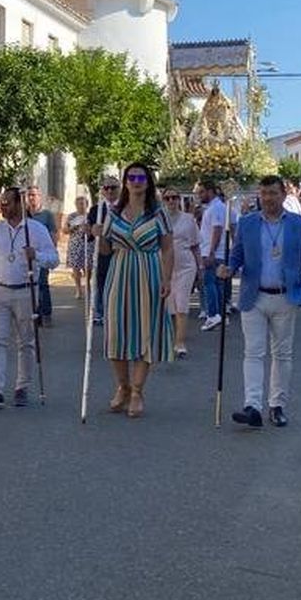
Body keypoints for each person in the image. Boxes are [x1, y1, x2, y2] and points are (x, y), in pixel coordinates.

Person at [218, 174, 301, 428]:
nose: (268, 198)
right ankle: (252, 406)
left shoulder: (300, 224)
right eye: (263, 194)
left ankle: (277, 405)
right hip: (255, 295)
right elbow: (238, 255)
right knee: (253, 352)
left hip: (286, 296)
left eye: (273, 193)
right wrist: (228, 269)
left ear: (284, 195)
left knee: (282, 354)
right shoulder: (248, 223)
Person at [98, 162, 174, 418]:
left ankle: (138, 392)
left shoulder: (158, 213)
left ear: (148, 181)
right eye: (131, 177)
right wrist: (99, 236)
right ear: (125, 181)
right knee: (116, 332)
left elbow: (167, 248)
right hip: (119, 273)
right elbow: (106, 251)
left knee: (145, 332)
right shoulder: (113, 213)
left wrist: (166, 279)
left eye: (141, 177)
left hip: (148, 272)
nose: (136, 181)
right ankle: (123, 386)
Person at [0, 186, 58, 408]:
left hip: (27, 291)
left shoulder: (36, 229)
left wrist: (37, 255)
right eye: (1, 202)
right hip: (0, 291)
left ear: (19, 204)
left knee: (26, 343)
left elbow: (54, 259)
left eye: (7, 202)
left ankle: (22, 387)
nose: (2, 206)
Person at [162, 189, 200, 359]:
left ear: (179, 200)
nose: (171, 201)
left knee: (182, 303)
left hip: (185, 266)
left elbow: (195, 245)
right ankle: (168, 338)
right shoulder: (158, 219)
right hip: (165, 267)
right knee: (168, 304)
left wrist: (200, 268)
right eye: (167, 198)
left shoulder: (188, 219)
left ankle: (180, 342)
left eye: (174, 197)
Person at [199, 183, 234, 330]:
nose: (199, 195)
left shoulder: (215, 208)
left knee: (209, 283)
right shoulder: (219, 207)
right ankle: (220, 315)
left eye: (201, 192)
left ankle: (213, 314)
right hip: (219, 252)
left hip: (214, 252)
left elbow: (217, 229)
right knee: (218, 284)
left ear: (210, 191)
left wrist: (211, 252)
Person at [89, 175, 120, 326]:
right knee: (101, 283)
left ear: (119, 189)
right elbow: (89, 234)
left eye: (113, 187)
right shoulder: (96, 209)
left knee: (119, 285)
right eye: (106, 188)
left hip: (122, 253)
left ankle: (117, 312)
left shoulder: (126, 207)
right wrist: (90, 230)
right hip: (102, 253)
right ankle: (100, 312)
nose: (109, 191)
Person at [25, 186, 58, 326]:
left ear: (40, 196)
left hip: (42, 254)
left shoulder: (46, 215)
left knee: (43, 284)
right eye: (30, 195)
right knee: (30, 285)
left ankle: (46, 314)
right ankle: (35, 313)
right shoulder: (24, 214)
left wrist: (52, 251)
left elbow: (53, 234)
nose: (32, 197)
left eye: (34, 195)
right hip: (27, 255)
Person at [65, 192, 94, 306]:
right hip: (75, 244)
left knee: (88, 267)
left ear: (87, 205)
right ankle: (78, 289)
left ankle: (87, 286)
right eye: (79, 204)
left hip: (88, 244)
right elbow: (65, 230)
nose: (81, 206)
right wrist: (74, 226)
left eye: (83, 204)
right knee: (76, 268)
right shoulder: (72, 216)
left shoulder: (90, 215)